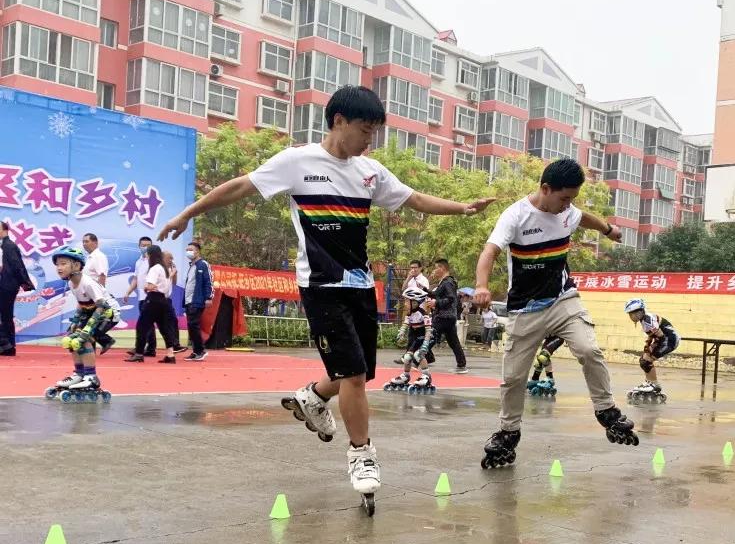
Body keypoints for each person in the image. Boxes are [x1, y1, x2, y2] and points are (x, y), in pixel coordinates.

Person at [156, 85, 494, 510]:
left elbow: (414, 199)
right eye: (365, 130)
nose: (370, 140)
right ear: (338, 121)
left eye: (374, 132)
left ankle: (313, 396)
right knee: (353, 376)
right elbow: (239, 187)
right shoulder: (297, 161)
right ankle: (361, 454)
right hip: (320, 287)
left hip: (359, 286)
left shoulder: (370, 171)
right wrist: (187, 214)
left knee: (359, 372)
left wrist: (461, 208)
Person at [473, 158, 639, 468]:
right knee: (513, 378)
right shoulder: (515, 216)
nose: (568, 207)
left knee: (589, 349)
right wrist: (481, 285)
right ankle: (508, 433)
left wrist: (608, 229)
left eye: (572, 200)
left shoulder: (567, 211)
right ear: (545, 189)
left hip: (563, 300)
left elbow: (583, 218)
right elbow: (489, 251)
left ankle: (606, 411)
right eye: (564, 199)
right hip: (525, 309)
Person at [46, 247, 119, 400]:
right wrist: (75, 322)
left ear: (77, 266)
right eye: (57, 264)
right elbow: (81, 304)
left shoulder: (88, 283)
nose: (59, 268)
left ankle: (91, 377)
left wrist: (87, 328)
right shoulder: (72, 283)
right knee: (71, 339)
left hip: (108, 312)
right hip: (92, 311)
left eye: (63, 263)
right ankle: (79, 374)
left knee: (84, 338)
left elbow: (102, 306)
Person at [123, 245, 178, 364]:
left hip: (153, 299)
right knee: (164, 328)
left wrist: (146, 287)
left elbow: (150, 285)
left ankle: (138, 353)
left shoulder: (154, 268)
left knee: (142, 326)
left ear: (150, 255)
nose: (146, 256)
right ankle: (170, 354)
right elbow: (167, 286)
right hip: (163, 300)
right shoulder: (164, 268)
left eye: (147, 254)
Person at [624, 298, 679, 404]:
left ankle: (654, 385)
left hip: (669, 340)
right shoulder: (645, 319)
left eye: (632, 313)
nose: (631, 316)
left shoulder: (648, 321)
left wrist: (651, 346)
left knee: (647, 360)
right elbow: (652, 335)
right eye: (629, 314)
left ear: (640, 312)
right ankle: (650, 382)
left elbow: (661, 337)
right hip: (665, 339)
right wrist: (648, 344)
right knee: (643, 360)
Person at [384, 287, 436, 394]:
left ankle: (426, 376)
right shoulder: (410, 313)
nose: (406, 303)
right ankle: (406, 376)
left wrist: (426, 344)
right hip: (416, 337)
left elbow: (428, 331)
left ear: (416, 302)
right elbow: (406, 324)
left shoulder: (424, 314)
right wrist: (401, 332)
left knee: (419, 355)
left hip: (426, 336)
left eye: (408, 301)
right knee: (407, 357)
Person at [0, 221, 35, 356]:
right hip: (5, 285)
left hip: (7, 285)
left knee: (6, 315)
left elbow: (17, 265)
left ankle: (8, 347)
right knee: (5, 315)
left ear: (5, 230)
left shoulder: (9, 246)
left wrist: (24, 282)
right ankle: (7, 346)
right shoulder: (4, 246)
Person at [430, 258, 468, 374]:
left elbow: (451, 298)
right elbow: (435, 295)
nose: (434, 270)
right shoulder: (444, 282)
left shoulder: (447, 282)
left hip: (444, 316)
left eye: (436, 268)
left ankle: (417, 359)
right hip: (448, 317)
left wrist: (436, 303)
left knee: (430, 336)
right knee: (453, 341)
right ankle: (462, 365)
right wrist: (423, 288)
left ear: (442, 268)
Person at [124, 236, 157, 358]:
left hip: (151, 296)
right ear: (139, 246)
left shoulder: (154, 261)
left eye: (148, 245)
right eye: (143, 245)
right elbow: (136, 279)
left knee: (145, 323)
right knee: (147, 324)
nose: (145, 247)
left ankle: (145, 348)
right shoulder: (139, 262)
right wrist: (128, 292)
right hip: (141, 296)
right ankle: (149, 348)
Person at [82, 233, 115, 354]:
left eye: (87, 241)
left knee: (88, 323)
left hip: (95, 296)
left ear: (95, 242)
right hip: (88, 295)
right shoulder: (90, 257)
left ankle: (104, 341)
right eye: (83, 242)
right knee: (88, 322)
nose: (84, 244)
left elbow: (102, 275)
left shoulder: (99, 256)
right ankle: (97, 346)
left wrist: (99, 296)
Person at [182, 242, 213, 361]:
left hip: (198, 300)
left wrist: (209, 297)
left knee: (194, 325)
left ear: (197, 251)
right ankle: (196, 351)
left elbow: (208, 281)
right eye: (187, 249)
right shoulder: (191, 266)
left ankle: (200, 351)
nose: (188, 252)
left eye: (191, 249)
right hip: (189, 300)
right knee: (191, 326)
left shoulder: (203, 264)